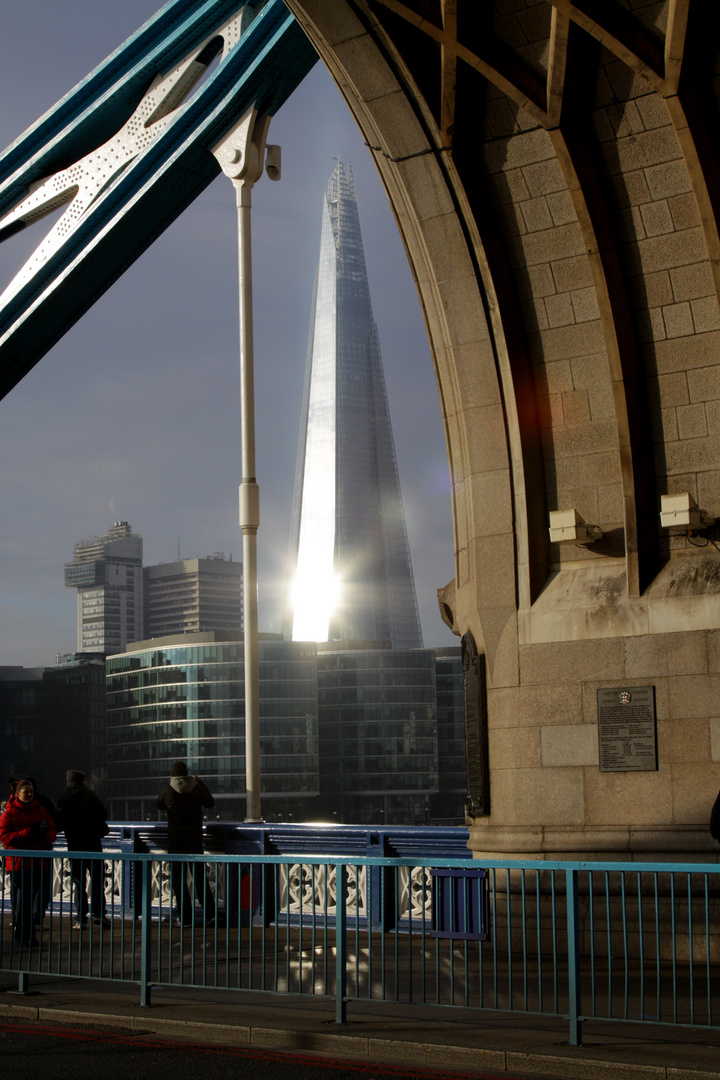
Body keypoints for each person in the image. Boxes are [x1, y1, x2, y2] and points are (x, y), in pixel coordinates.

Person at [0, 777, 57, 944]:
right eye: (26, 792)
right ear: (17, 794)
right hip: (19, 863)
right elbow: (6, 837)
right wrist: (30, 832)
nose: (30, 795)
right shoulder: (9, 814)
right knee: (26, 898)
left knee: (29, 898)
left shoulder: (40, 811)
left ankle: (22, 933)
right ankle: (28, 934)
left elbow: (52, 830)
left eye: (31, 792)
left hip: (39, 862)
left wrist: (44, 836)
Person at [156, 762, 214, 925]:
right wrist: (199, 782)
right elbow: (210, 803)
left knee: (178, 881)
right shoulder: (195, 789)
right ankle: (211, 914)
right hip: (195, 840)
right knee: (200, 878)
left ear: (173, 774)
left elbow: (159, 804)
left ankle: (186, 917)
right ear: (188, 773)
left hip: (175, 841)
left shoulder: (167, 790)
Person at [56, 770, 110, 929]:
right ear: (82, 781)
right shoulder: (89, 795)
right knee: (98, 881)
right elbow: (103, 813)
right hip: (92, 843)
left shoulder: (63, 798)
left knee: (78, 883)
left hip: (74, 844)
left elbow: (59, 821)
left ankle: (80, 918)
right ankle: (99, 915)